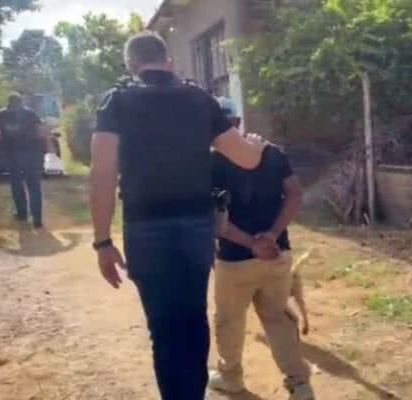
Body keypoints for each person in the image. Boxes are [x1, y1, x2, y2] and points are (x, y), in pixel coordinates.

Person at [89, 32, 267, 400]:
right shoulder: (200, 100)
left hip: (144, 227)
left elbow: (102, 173)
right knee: (193, 318)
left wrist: (103, 241)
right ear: (168, 60)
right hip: (195, 226)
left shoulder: (116, 103)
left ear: (131, 64)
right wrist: (256, 145)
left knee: (164, 328)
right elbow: (247, 159)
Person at [210, 97, 314, 400]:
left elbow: (216, 221)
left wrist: (252, 244)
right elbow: (295, 193)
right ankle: (300, 384)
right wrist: (271, 236)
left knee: (229, 321)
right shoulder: (272, 153)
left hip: (235, 260)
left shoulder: (211, 163)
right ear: (238, 123)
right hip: (277, 255)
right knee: (278, 318)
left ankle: (230, 378)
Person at [0, 93, 50, 228]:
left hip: (12, 155)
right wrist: (50, 149)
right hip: (32, 154)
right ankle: (37, 219)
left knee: (16, 185)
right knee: (34, 187)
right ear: (21, 102)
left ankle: (22, 214)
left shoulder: (0, 114)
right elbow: (41, 132)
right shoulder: (31, 113)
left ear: (8, 103)